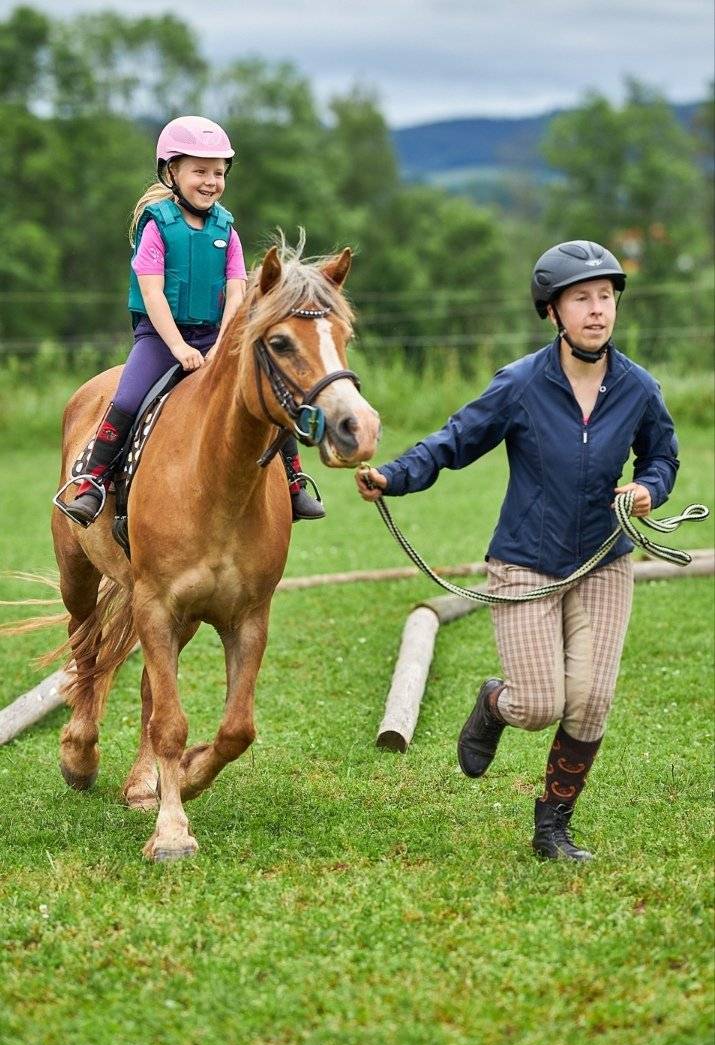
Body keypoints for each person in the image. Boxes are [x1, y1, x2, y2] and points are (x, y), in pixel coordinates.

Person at [356, 240, 680, 861]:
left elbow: (662, 454)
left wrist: (648, 487)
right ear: (553, 311)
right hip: (525, 562)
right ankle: (492, 704)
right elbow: (455, 440)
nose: (597, 310)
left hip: (606, 563)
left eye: (606, 298)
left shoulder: (638, 388)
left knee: (590, 699)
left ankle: (552, 827)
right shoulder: (522, 384)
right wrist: (393, 476)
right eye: (581, 298)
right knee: (538, 705)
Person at [63, 115, 324, 526]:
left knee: (268, 393)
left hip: (216, 336)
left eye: (218, 172)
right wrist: (179, 348)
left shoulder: (227, 229)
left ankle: (293, 482)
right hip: (161, 338)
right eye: (199, 171)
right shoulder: (157, 227)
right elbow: (152, 294)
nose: (210, 181)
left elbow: (237, 292)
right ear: (172, 172)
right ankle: (91, 482)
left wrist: (221, 345)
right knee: (128, 398)